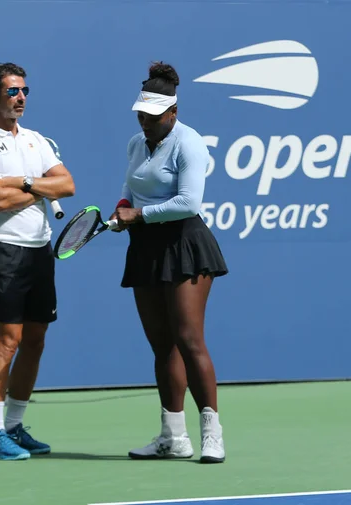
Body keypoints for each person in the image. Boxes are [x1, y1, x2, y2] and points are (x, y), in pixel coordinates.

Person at [111, 62, 228, 464]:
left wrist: (139, 216)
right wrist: (124, 205)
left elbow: (188, 202)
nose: (145, 122)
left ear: (173, 113)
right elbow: (130, 185)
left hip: (184, 245)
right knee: (162, 345)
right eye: (141, 115)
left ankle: (212, 433)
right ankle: (173, 436)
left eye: (153, 116)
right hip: (145, 249)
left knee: (188, 338)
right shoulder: (136, 142)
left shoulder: (189, 143)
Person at [0, 62, 75, 461]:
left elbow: (68, 184)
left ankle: (14, 425)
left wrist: (24, 183)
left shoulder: (36, 141)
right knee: (6, 343)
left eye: (24, 90)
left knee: (35, 341)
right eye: (12, 92)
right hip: (5, 251)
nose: (21, 97)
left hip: (40, 250)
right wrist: (40, 190)